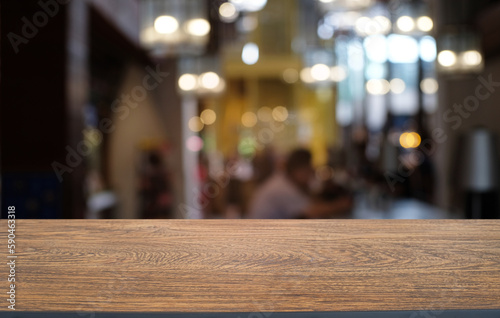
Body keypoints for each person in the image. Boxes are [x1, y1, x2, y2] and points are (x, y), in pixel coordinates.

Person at [248, 148, 352, 219]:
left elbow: (309, 203)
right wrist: (340, 205)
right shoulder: (282, 188)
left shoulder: (284, 181)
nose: (311, 173)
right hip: (264, 238)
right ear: (299, 170)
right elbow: (310, 211)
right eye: (309, 169)